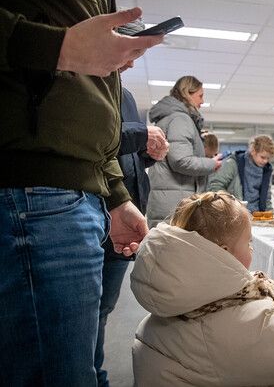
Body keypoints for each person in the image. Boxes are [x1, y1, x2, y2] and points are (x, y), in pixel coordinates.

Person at [0, 0, 190, 384]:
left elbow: (85, 97)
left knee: (79, 365)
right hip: (33, 190)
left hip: (72, 193)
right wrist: (57, 47)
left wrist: (115, 193)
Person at [130, 191, 274, 385]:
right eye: (248, 242)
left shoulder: (174, 293)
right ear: (223, 252)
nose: (251, 248)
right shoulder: (243, 318)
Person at [95, 68, 169, 385]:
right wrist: (140, 136)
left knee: (103, 307)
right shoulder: (86, 80)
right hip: (95, 208)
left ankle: (95, 372)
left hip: (124, 210)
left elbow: (123, 155)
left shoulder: (124, 93)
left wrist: (147, 154)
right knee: (85, 311)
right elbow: (94, 137)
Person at [147, 75, 222, 227]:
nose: (202, 101)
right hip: (174, 203)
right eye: (200, 96)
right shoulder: (180, 119)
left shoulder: (171, 118)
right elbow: (181, 161)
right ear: (188, 93)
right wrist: (211, 164)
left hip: (170, 199)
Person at [208, 134, 274, 213]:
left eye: (268, 158)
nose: (265, 161)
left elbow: (267, 198)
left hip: (257, 217)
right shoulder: (233, 163)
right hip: (235, 214)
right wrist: (230, 205)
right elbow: (215, 186)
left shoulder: (266, 170)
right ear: (253, 151)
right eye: (263, 157)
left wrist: (271, 214)